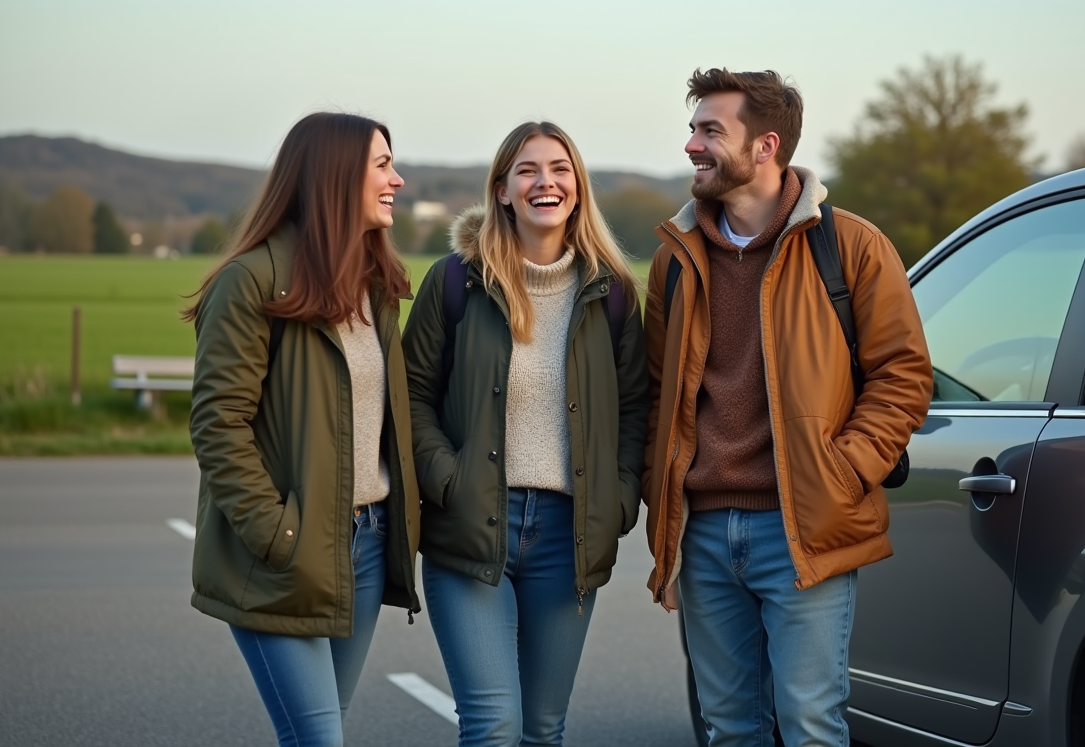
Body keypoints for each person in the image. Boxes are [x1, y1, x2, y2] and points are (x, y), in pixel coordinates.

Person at [641, 69, 933, 746]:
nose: (691, 145)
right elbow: (658, 393)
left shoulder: (851, 246)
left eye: (711, 130)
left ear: (766, 146)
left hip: (803, 525)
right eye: (692, 129)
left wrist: (845, 468)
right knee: (729, 729)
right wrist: (663, 508)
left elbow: (903, 373)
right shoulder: (675, 262)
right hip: (705, 536)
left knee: (809, 725)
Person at [402, 121, 648, 747]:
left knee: (541, 729)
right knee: (494, 727)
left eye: (560, 169)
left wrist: (618, 499)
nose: (547, 182)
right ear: (503, 191)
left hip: (569, 539)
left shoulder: (612, 293)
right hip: (471, 524)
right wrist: (445, 477)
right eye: (529, 170)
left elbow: (634, 409)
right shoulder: (456, 282)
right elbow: (410, 397)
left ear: (578, 186)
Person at [184, 112, 421, 747]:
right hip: (284, 552)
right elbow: (217, 423)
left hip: (366, 546)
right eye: (381, 165)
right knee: (319, 740)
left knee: (321, 732)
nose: (397, 179)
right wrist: (278, 532)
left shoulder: (377, 288)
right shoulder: (252, 281)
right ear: (335, 178)